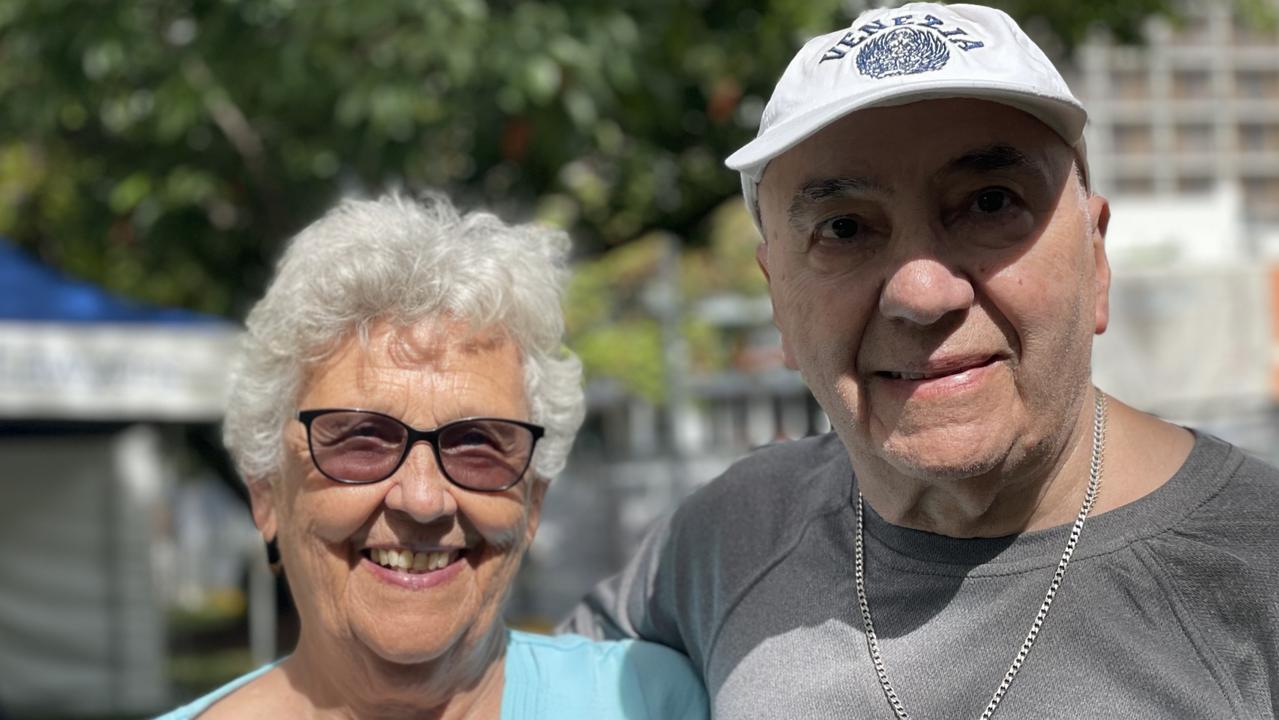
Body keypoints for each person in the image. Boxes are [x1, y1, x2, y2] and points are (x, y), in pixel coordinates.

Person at [562, 3, 1279, 718]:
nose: (921, 292)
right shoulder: (731, 536)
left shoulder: (1257, 565)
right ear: (777, 298)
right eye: (843, 228)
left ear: (1095, 259)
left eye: (990, 203)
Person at [158, 194, 708, 719]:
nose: (423, 500)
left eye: (477, 445)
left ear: (533, 501)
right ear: (265, 491)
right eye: (361, 439)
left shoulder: (650, 704)